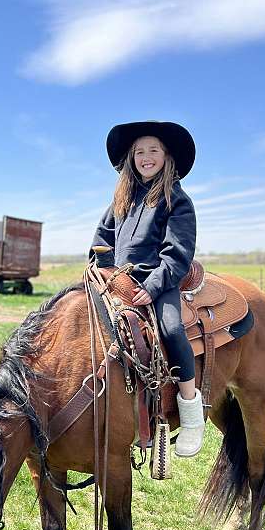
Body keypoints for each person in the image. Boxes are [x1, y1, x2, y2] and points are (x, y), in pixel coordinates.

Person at [91, 120, 205, 457]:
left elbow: (177, 253)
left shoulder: (177, 201)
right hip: (118, 281)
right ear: (131, 158)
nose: (146, 156)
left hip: (160, 281)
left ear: (166, 156)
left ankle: (190, 411)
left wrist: (153, 286)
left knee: (171, 329)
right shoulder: (120, 200)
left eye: (153, 150)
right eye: (139, 151)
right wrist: (102, 269)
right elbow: (102, 241)